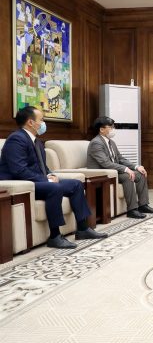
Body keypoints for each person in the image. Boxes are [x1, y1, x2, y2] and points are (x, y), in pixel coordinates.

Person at [0, 106, 107, 249]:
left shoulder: (37, 141)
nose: (43, 123)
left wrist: (50, 174)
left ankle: (83, 229)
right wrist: (47, 180)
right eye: (41, 120)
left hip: (37, 181)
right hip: (21, 184)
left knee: (76, 184)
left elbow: (41, 166)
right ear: (31, 122)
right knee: (54, 188)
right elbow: (18, 170)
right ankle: (55, 236)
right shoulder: (16, 139)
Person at [87, 116, 153, 219]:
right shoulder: (96, 143)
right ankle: (132, 210)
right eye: (110, 127)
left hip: (114, 172)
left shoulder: (111, 142)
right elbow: (105, 163)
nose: (113, 129)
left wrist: (136, 167)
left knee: (140, 174)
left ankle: (143, 205)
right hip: (102, 174)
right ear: (101, 129)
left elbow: (120, 159)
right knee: (128, 176)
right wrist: (126, 169)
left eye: (113, 126)